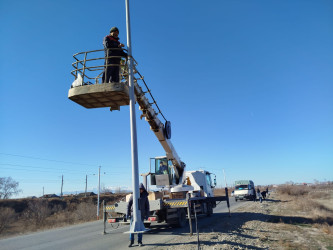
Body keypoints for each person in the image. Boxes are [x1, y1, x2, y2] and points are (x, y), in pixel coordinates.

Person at [127, 183, 149, 247]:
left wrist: (147, 214)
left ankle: (140, 241)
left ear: (143, 190)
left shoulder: (145, 196)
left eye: (142, 189)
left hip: (141, 215)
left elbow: (147, 206)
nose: (141, 190)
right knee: (132, 229)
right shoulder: (133, 195)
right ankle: (131, 241)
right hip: (133, 215)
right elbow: (129, 204)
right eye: (139, 189)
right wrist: (127, 213)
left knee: (140, 229)